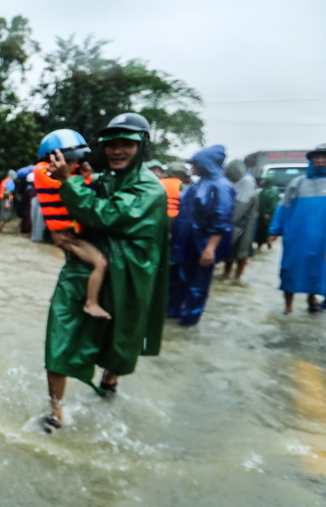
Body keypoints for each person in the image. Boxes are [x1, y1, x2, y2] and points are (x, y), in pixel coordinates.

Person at [41, 112, 169, 434]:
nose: (117, 150)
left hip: (127, 276)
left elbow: (105, 214)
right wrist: (73, 177)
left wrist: (70, 184)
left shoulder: (150, 190)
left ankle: (109, 383)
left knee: (120, 339)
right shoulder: (103, 179)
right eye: (112, 144)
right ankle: (56, 412)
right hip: (82, 268)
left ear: (141, 147)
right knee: (61, 330)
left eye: (126, 143)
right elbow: (80, 202)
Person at [35, 129, 110, 320]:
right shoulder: (42, 171)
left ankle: (57, 294)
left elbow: (76, 190)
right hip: (63, 235)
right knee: (100, 262)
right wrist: (72, 176)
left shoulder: (65, 174)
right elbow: (62, 184)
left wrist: (84, 177)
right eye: (70, 161)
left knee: (71, 263)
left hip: (69, 233)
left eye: (76, 160)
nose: (74, 165)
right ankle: (91, 303)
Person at [268, 143, 326, 314]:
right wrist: (275, 230)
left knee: (319, 270)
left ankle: (312, 299)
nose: (320, 160)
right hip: (297, 237)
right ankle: (288, 307)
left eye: (325, 157)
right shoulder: (298, 182)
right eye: (316, 157)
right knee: (290, 269)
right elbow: (283, 207)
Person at [166, 145, 234, 326]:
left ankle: (189, 319)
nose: (191, 167)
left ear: (206, 163)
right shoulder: (197, 184)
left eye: (194, 163)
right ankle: (172, 310)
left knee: (198, 283)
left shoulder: (221, 186)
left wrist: (210, 248)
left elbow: (222, 219)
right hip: (184, 241)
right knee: (177, 277)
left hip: (203, 242)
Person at [222, 159, 259, 282]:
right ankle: (226, 274)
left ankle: (237, 277)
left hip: (243, 223)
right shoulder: (233, 181)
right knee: (230, 250)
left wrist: (228, 221)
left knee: (242, 250)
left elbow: (242, 205)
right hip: (232, 220)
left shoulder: (247, 181)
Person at [255, 174, 280, 251]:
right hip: (261, 215)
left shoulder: (273, 192)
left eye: (263, 180)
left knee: (267, 230)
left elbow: (274, 204)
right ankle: (260, 244)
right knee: (261, 230)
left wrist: (269, 213)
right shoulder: (262, 191)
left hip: (267, 215)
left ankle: (268, 242)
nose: (261, 182)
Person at [0, 169, 17, 234]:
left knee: (3, 217)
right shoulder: (10, 182)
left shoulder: (5, 181)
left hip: (2, 200)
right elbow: (7, 194)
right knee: (4, 218)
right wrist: (7, 203)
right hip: (6, 201)